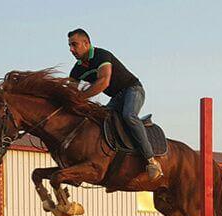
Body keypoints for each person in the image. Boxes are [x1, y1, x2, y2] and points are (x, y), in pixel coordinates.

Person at [68, 28, 162, 180]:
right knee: (99, 121)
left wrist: (80, 97)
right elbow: (70, 92)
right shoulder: (76, 69)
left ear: (86, 43)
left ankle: (151, 161)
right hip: (116, 98)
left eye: (74, 45)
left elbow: (103, 82)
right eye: (69, 46)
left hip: (133, 89)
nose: (71, 49)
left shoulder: (101, 55)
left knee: (129, 115)